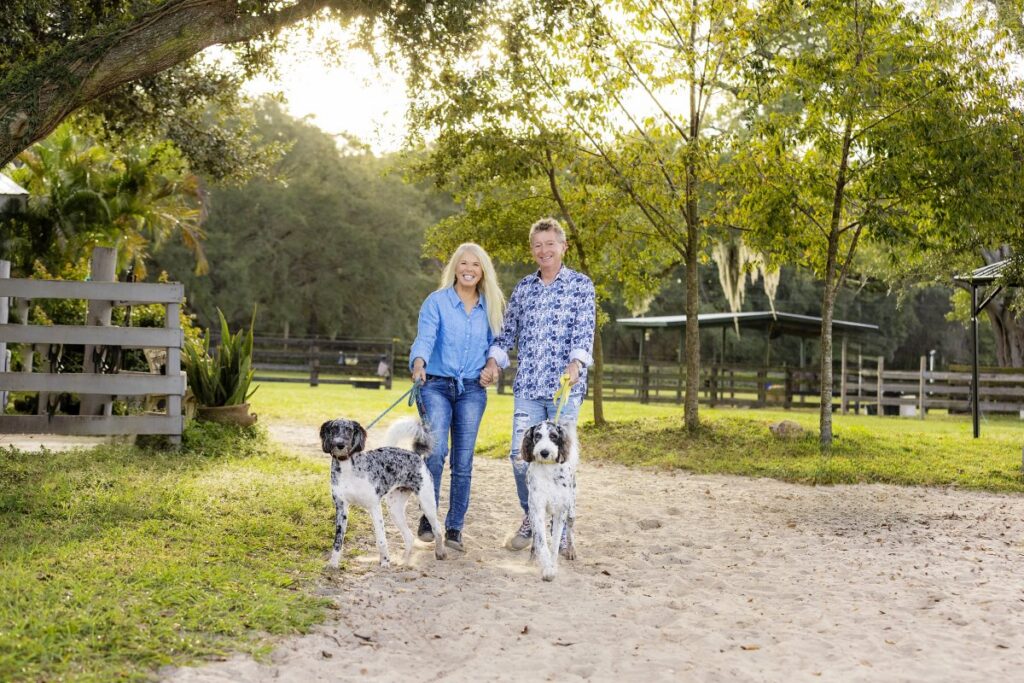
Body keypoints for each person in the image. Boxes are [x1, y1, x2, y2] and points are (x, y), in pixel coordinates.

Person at [481, 217, 595, 551]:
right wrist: (494, 363)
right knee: (521, 457)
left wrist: (575, 362)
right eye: (537, 245)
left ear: (563, 246)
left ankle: (562, 530)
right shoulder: (523, 289)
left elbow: (584, 331)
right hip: (528, 387)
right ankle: (532, 517)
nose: (544, 250)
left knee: (563, 461)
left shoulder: (581, 285)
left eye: (550, 244)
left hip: (565, 390)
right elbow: (507, 333)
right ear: (532, 250)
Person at [409, 242, 506, 553]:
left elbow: (497, 347)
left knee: (463, 462)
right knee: (435, 454)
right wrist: (419, 362)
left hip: (472, 391)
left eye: (475, 265)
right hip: (435, 385)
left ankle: (454, 528)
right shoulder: (436, 302)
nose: (468, 269)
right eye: (463, 263)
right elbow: (425, 337)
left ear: (482, 272)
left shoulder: (490, 306)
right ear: (454, 268)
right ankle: (428, 518)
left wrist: (493, 366)